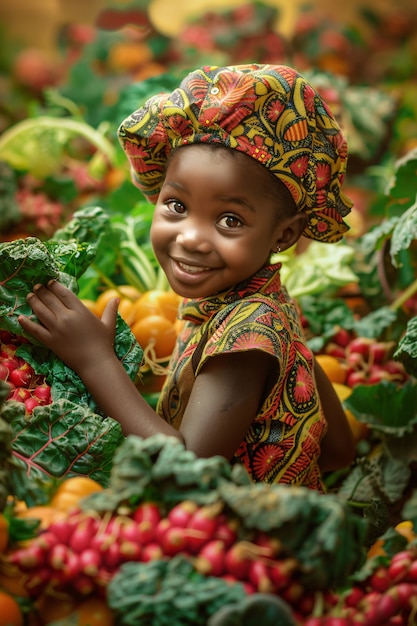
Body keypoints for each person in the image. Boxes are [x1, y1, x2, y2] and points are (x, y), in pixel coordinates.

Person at [19, 64, 355, 492]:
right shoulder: (264, 308)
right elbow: (340, 449)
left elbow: (188, 473)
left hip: (242, 547)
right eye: (176, 206)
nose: (192, 238)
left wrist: (95, 360)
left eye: (230, 219)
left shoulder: (247, 335)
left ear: (285, 234)